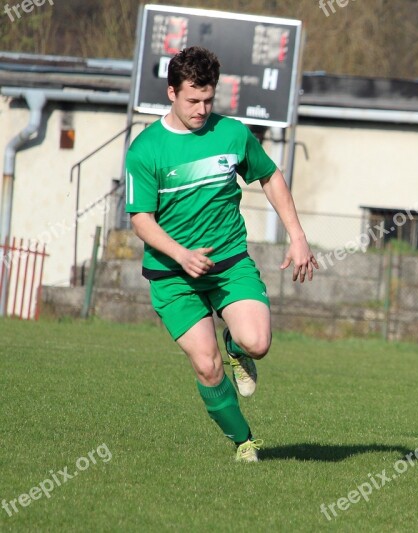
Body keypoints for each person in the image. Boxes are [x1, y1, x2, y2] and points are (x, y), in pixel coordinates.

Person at [125, 46, 317, 462]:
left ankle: (237, 345)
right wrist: (181, 254)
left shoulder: (231, 132)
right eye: (193, 100)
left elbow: (269, 176)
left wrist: (297, 235)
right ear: (171, 93)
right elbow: (141, 219)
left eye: (209, 99)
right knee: (207, 367)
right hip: (172, 275)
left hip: (228, 263)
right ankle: (244, 442)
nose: (201, 109)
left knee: (258, 342)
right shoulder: (145, 150)